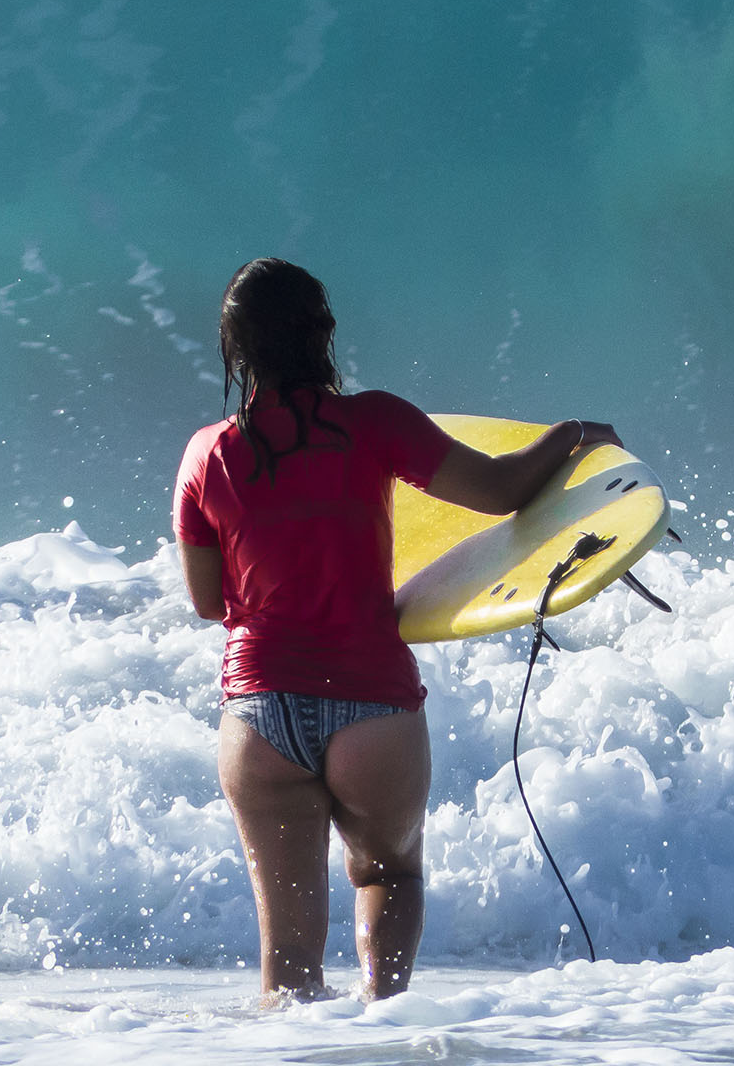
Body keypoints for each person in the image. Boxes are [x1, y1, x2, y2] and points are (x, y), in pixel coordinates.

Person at [173, 257, 621, 1003]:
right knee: (388, 875)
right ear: (322, 333)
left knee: (286, 967)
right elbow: (501, 491)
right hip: (371, 703)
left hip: (257, 712)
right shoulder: (372, 422)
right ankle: (383, 1037)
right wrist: (569, 434)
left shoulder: (206, 453)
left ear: (236, 350)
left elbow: (208, 602)